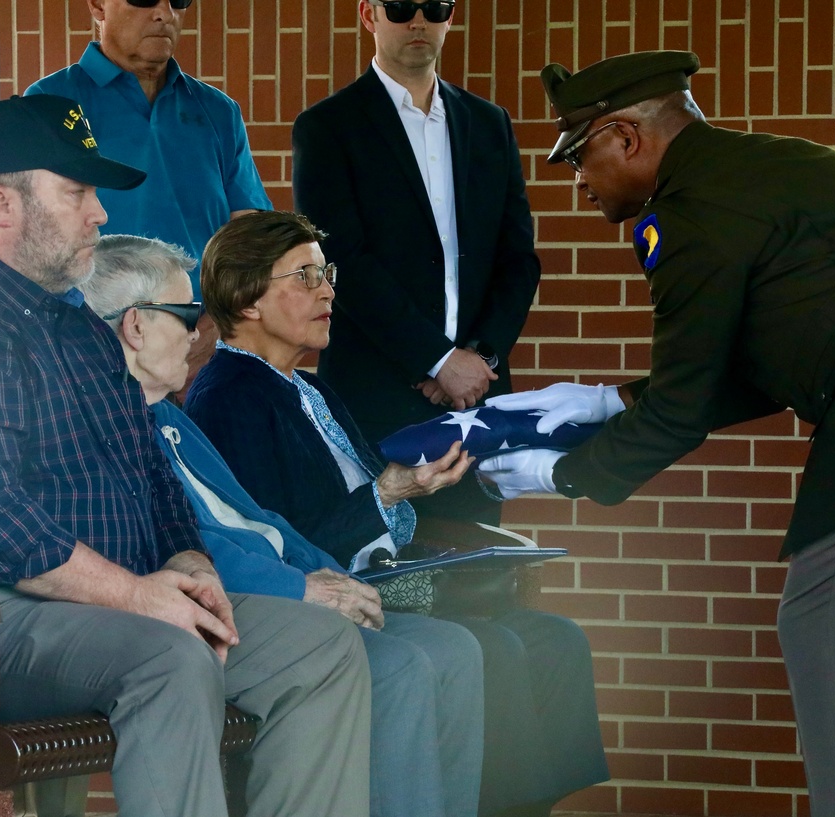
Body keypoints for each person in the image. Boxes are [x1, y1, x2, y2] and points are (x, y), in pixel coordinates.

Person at [478, 49, 835, 817]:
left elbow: (684, 407)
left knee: (827, 618)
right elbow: (778, 352)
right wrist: (605, 399)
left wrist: (561, 475)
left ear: (627, 137)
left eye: (578, 155)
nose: (578, 180)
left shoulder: (685, 214)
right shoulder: (775, 164)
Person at [0, 93, 370, 817]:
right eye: (76, 192)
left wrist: (189, 564)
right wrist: (139, 595)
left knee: (316, 646)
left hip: (124, 599)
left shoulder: (74, 324)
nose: (99, 214)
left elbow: (152, 474)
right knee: (167, 656)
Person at [184, 210, 609, 817]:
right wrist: (387, 493)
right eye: (303, 276)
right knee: (469, 651)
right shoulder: (230, 395)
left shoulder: (310, 386)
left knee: (553, 638)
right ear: (246, 296)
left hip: (386, 579)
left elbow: (370, 496)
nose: (328, 289)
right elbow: (276, 545)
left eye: (325, 272)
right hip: (313, 602)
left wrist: (426, 479)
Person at [83, 232, 486, 817]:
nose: (201, 332)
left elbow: (259, 520)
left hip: (268, 593)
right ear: (136, 328)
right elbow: (186, 545)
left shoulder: (166, 417)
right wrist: (307, 587)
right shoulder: (152, 411)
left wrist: (324, 575)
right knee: (398, 665)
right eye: (186, 314)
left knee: (452, 646)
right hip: (203, 615)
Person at [291, 0, 541, 525]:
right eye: (402, 7)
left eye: (435, 6)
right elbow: (344, 261)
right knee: (379, 574)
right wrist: (436, 360)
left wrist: (479, 358)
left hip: (476, 397)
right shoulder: (328, 127)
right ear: (368, 15)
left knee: (475, 578)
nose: (418, 20)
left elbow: (518, 260)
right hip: (375, 392)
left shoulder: (489, 123)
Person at [26, 0, 273, 385]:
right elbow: (31, 244)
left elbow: (251, 236)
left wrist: (211, 330)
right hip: (87, 353)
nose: (164, 14)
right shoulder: (49, 103)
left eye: (178, 1)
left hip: (202, 350)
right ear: (97, 5)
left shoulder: (217, 111)